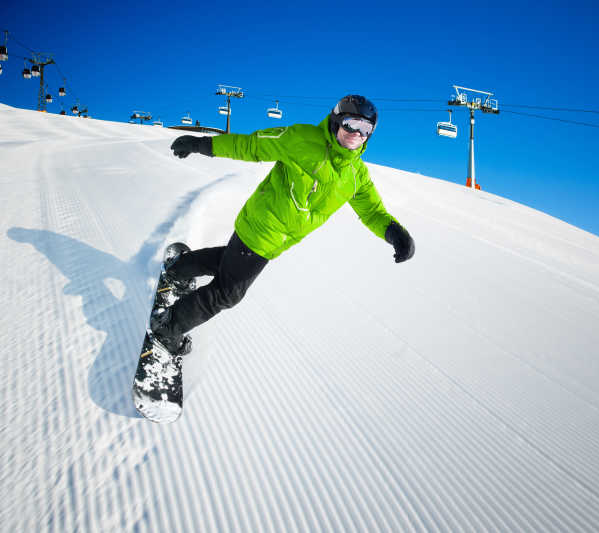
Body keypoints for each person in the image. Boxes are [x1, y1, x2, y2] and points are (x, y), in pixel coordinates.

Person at [152, 95, 415, 353]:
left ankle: (178, 270)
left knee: (228, 260)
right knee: (227, 293)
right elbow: (252, 146)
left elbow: (372, 211)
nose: (357, 133)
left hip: (276, 239)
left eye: (366, 128)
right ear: (336, 121)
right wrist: (202, 145)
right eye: (351, 124)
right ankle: (169, 328)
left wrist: (395, 233)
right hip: (262, 228)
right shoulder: (302, 139)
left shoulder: (356, 175)